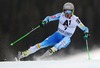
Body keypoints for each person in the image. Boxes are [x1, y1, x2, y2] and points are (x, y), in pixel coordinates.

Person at [18, 2, 90, 60]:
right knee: (41, 44)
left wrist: (86, 33)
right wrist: (44, 21)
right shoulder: (60, 15)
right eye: (66, 11)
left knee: (65, 40)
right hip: (57, 35)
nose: (67, 14)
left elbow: (85, 28)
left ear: (72, 11)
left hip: (66, 37)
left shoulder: (76, 19)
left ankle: (51, 51)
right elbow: (49, 18)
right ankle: (24, 54)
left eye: (69, 12)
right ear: (63, 11)